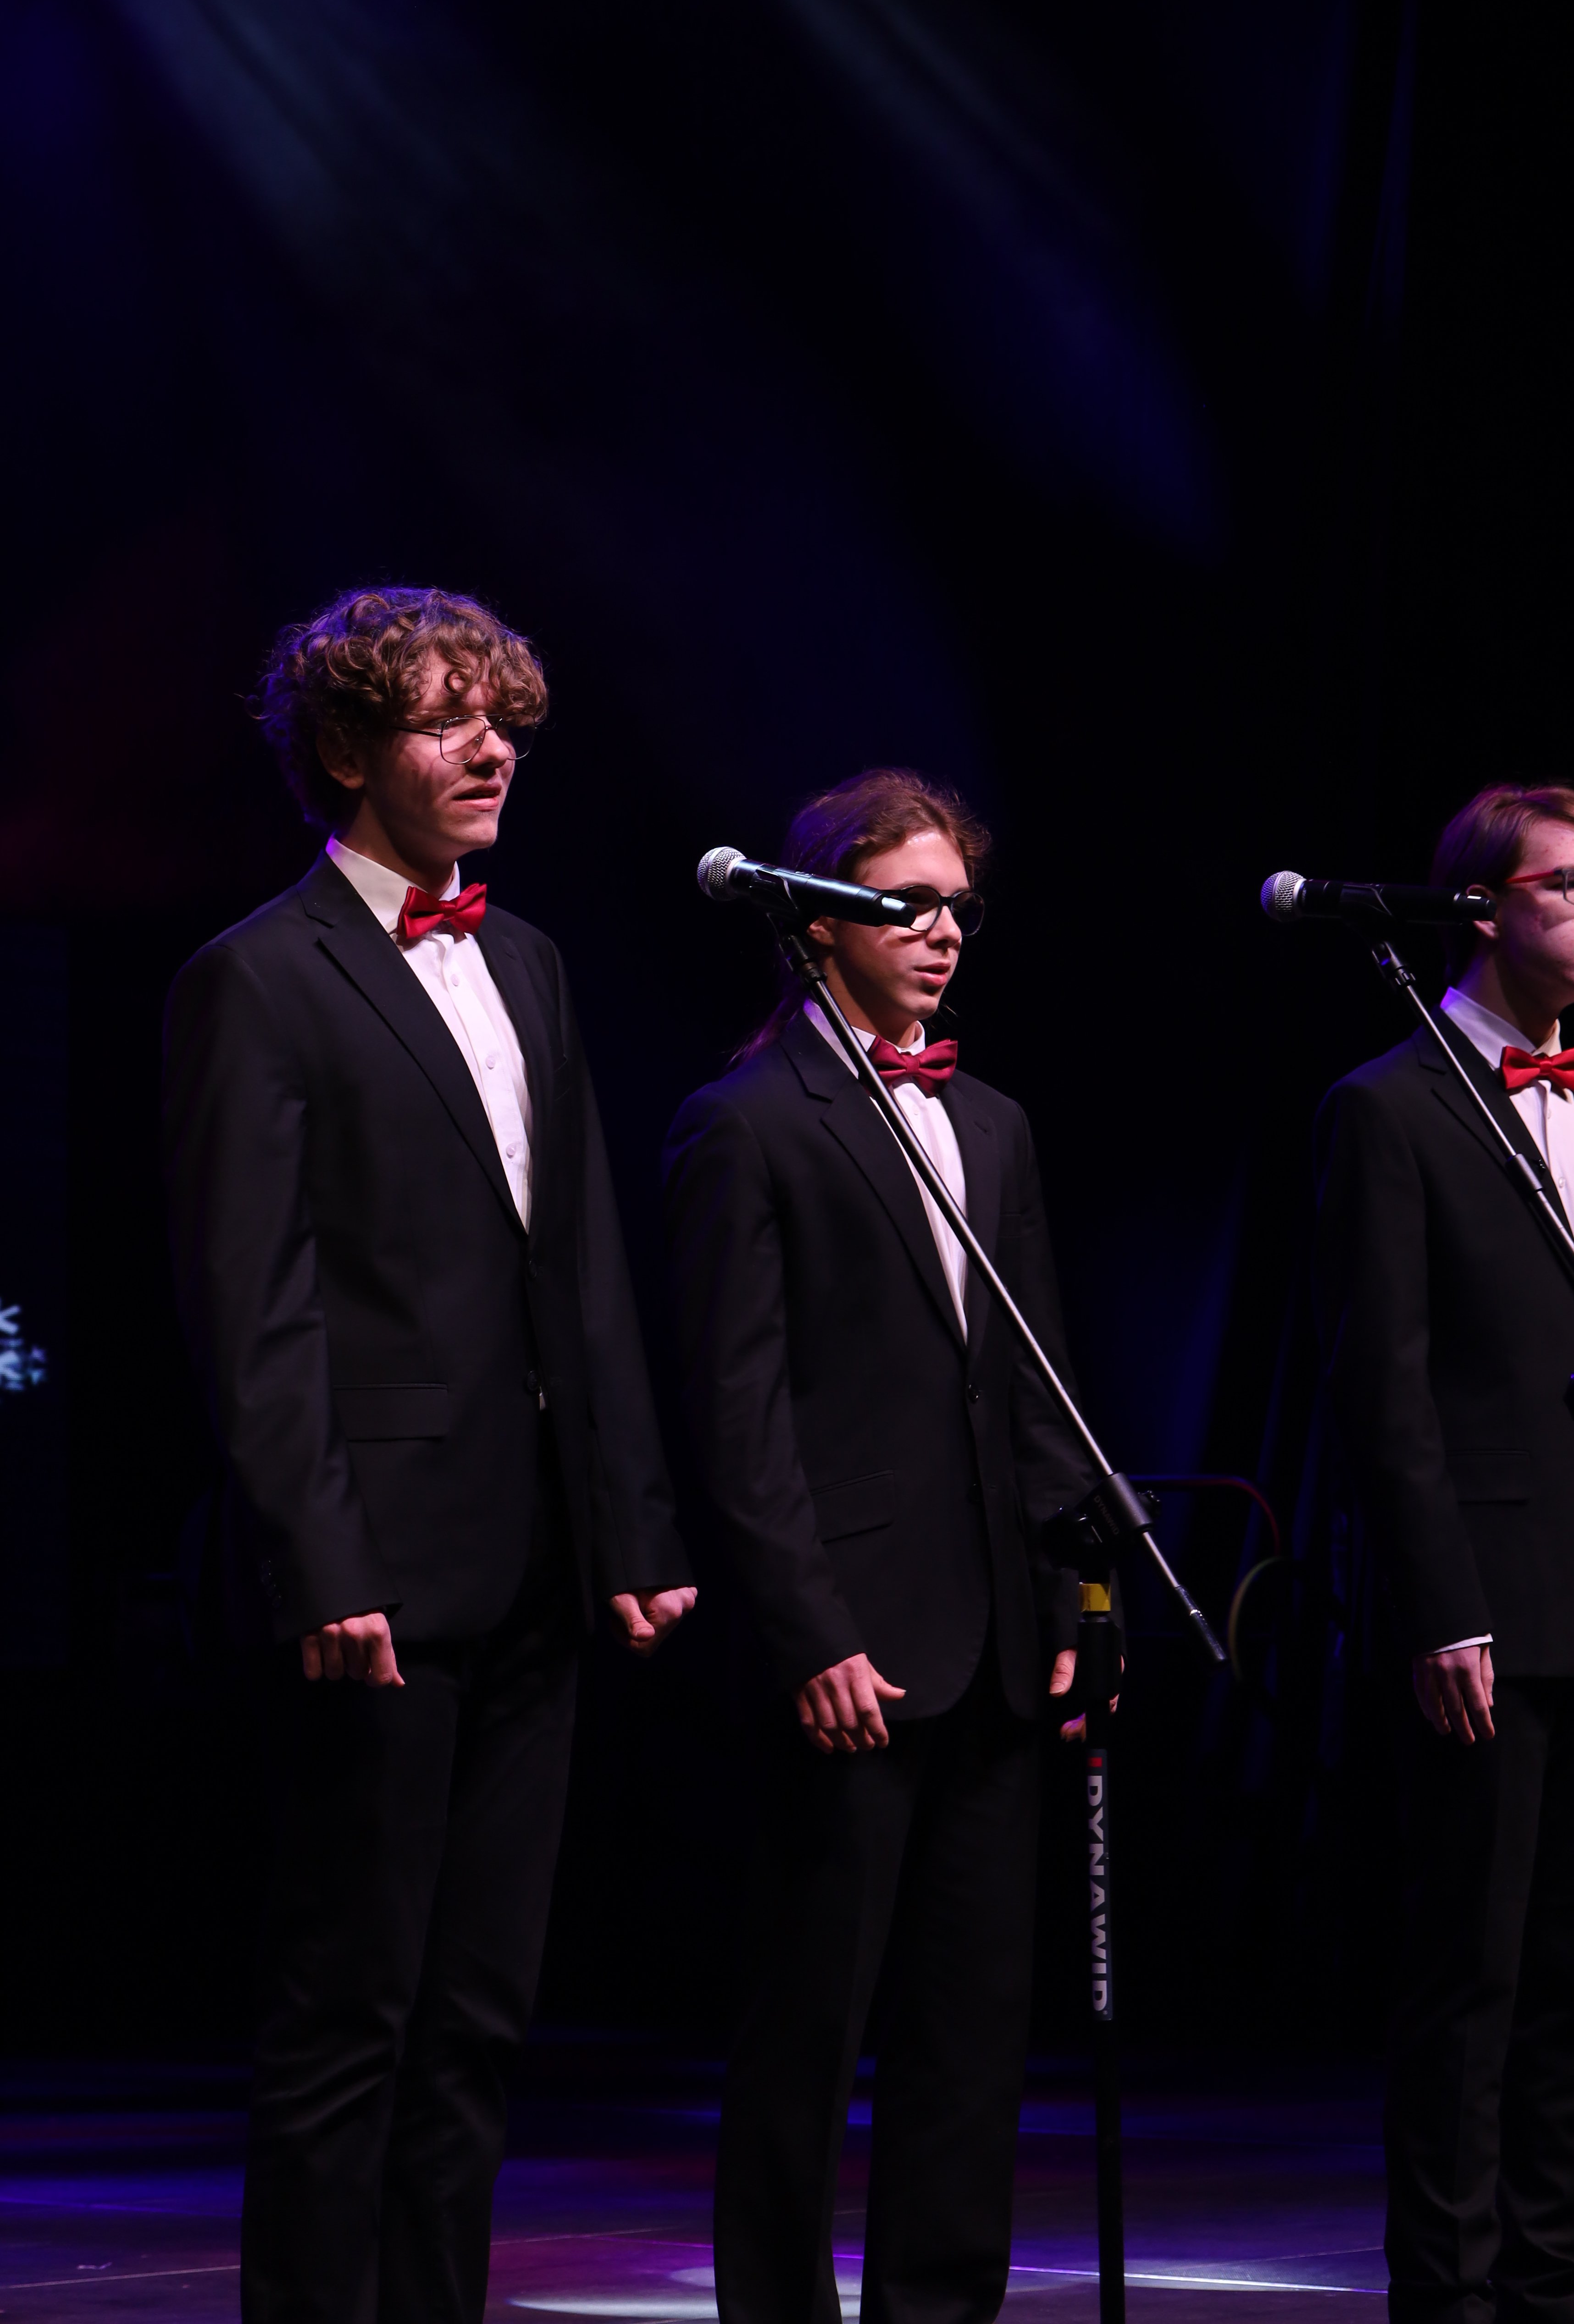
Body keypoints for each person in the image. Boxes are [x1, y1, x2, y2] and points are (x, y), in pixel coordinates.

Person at [162, 584, 695, 2324]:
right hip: (377, 1573)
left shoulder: (525, 959)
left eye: (504, 721)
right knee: (350, 2018)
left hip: (539, 1559)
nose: (490, 750)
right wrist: (322, 1562)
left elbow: (582, 1266)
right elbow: (257, 1307)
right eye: (445, 719)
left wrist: (633, 1528)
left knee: (478, 2019)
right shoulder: (257, 978)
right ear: (345, 749)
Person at [663, 767, 1097, 2324]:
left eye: (958, 908)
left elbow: (1037, 1387)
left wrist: (1071, 1596)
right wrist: (811, 1631)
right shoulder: (744, 1124)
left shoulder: (995, 1125)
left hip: (993, 1643)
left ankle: (939, 2308)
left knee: (970, 2031)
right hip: (846, 1647)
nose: (942, 932)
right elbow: (735, 1415)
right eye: (905, 903)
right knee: (807, 2028)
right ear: (815, 919)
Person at [1312, 781, 1574, 2324]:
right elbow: (1385, 1386)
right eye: (1571, 886)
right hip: (1484, 1611)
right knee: (1471, 1976)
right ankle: (1447, 2289)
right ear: (1481, 910)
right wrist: (1441, 1610)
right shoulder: (1390, 1106)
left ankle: (1553, 2280)